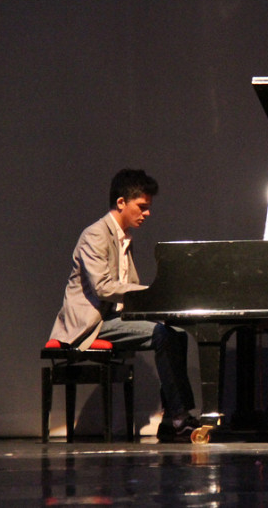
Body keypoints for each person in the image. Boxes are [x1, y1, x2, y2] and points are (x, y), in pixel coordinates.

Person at [49, 169, 198, 442]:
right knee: (162, 335)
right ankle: (179, 419)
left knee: (176, 333)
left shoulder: (124, 239)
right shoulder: (95, 235)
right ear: (121, 203)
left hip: (114, 320)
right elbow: (104, 288)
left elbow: (130, 288)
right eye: (142, 207)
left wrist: (158, 301)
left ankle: (173, 417)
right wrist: (153, 292)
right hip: (91, 325)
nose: (147, 213)